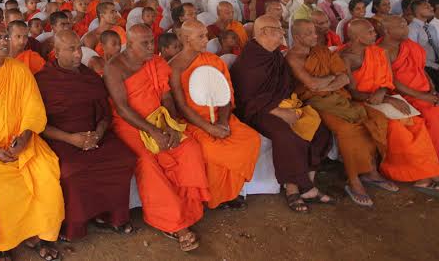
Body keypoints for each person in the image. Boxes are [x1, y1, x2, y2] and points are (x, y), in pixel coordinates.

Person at [0, 24, 64, 261]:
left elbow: (33, 108)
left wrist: (25, 137)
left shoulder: (19, 70)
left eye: (6, 37)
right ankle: (6, 244)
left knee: (46, 172)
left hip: (21, 141)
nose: (4, 41)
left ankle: (36, 234)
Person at [104, 24, 208, 252]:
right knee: (148, 163)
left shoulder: (155, 61)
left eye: (152, 41)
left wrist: (170, 123)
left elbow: (166, 96)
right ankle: (176, 225)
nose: (152, 47)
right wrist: (152, 131)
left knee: (188, 147)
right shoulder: (115, 67)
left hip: (159, 119)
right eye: (145, 43)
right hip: (132, 126)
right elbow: (122, 109)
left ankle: (189, 208)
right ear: (129, 45)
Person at [35, 30, 136, 241]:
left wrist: (98, 134)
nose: (78, 54)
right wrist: (72, 139)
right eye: (71, 50)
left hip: (95, 135)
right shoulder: (42, 81)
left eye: (79, 48)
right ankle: (75, 225)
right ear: (56, 52)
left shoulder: (89, 76)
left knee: (124, 158)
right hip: (61, 138)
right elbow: (38, 124)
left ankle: (110, 215)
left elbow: (104, 113)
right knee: (71, 171)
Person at [231, 16, 334, 213]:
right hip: (256, 111)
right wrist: (278, 111)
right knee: (285, 134)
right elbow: (245, 99)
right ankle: (296, 188)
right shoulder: (250, 59)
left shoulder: (274, 54)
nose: (282, 32)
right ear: (263, 32)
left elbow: (284, 85)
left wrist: (290, 105)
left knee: (320, 129)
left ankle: (306, 181)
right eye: (278, 29)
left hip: (279, 103)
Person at [288, 19, 393, 207]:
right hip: (314, 102)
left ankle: (370, 172)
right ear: (296, 37)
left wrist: (325, 84)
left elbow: (344, 78)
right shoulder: (293, 58)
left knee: (371, 119)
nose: (315, 36)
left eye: (315, 32)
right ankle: (354, 181)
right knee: (346, 129)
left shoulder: (322, 51)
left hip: (338, 97)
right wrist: (328, 82)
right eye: (309, 33)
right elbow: (310, 85)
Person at [340, 19, 439, 195]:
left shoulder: (378, 52)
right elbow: (351, 92)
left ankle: (429, 175)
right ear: (358, 37)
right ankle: (422, 176)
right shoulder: (345, 58)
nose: (375, 34)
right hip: (363, 102)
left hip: (384, 99)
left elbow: (386, 81)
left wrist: (385, 94)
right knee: (398, 128)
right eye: (370, 32)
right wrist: (386, 99)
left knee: (415, 123)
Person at [169, 20, 261, 209]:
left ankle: (231, 192)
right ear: (187, 39)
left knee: (251, 139)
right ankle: (215, 197)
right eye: (201, 36)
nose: (207, 40)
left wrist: (223, 122)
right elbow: (181, 106)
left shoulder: (213, 60)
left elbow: (226, 96)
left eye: (205, 35)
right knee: (211, 149)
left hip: (221, 117)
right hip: (193, 121)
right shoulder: (174, 67)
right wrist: (208, 127)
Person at [379, 16, 439, 161]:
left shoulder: (409, 45)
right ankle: (437, 159)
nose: (406, 29)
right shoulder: (382, 51)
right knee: (433, 117)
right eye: (401, 26)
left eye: (406, 25)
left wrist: (432, 89)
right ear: (387, 31)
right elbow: (392, 81)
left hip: (424, 92)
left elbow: (421, 69)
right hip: (406, 96)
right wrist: (423, 96)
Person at [408, 0, 439, 96]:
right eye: (426, 7)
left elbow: (438, 48)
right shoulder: (412, 29)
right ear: (417, 11)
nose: (431, 8)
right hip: (425, 67)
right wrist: (438, 67)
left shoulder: (430, 27)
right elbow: (414, 55)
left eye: (430, 6)